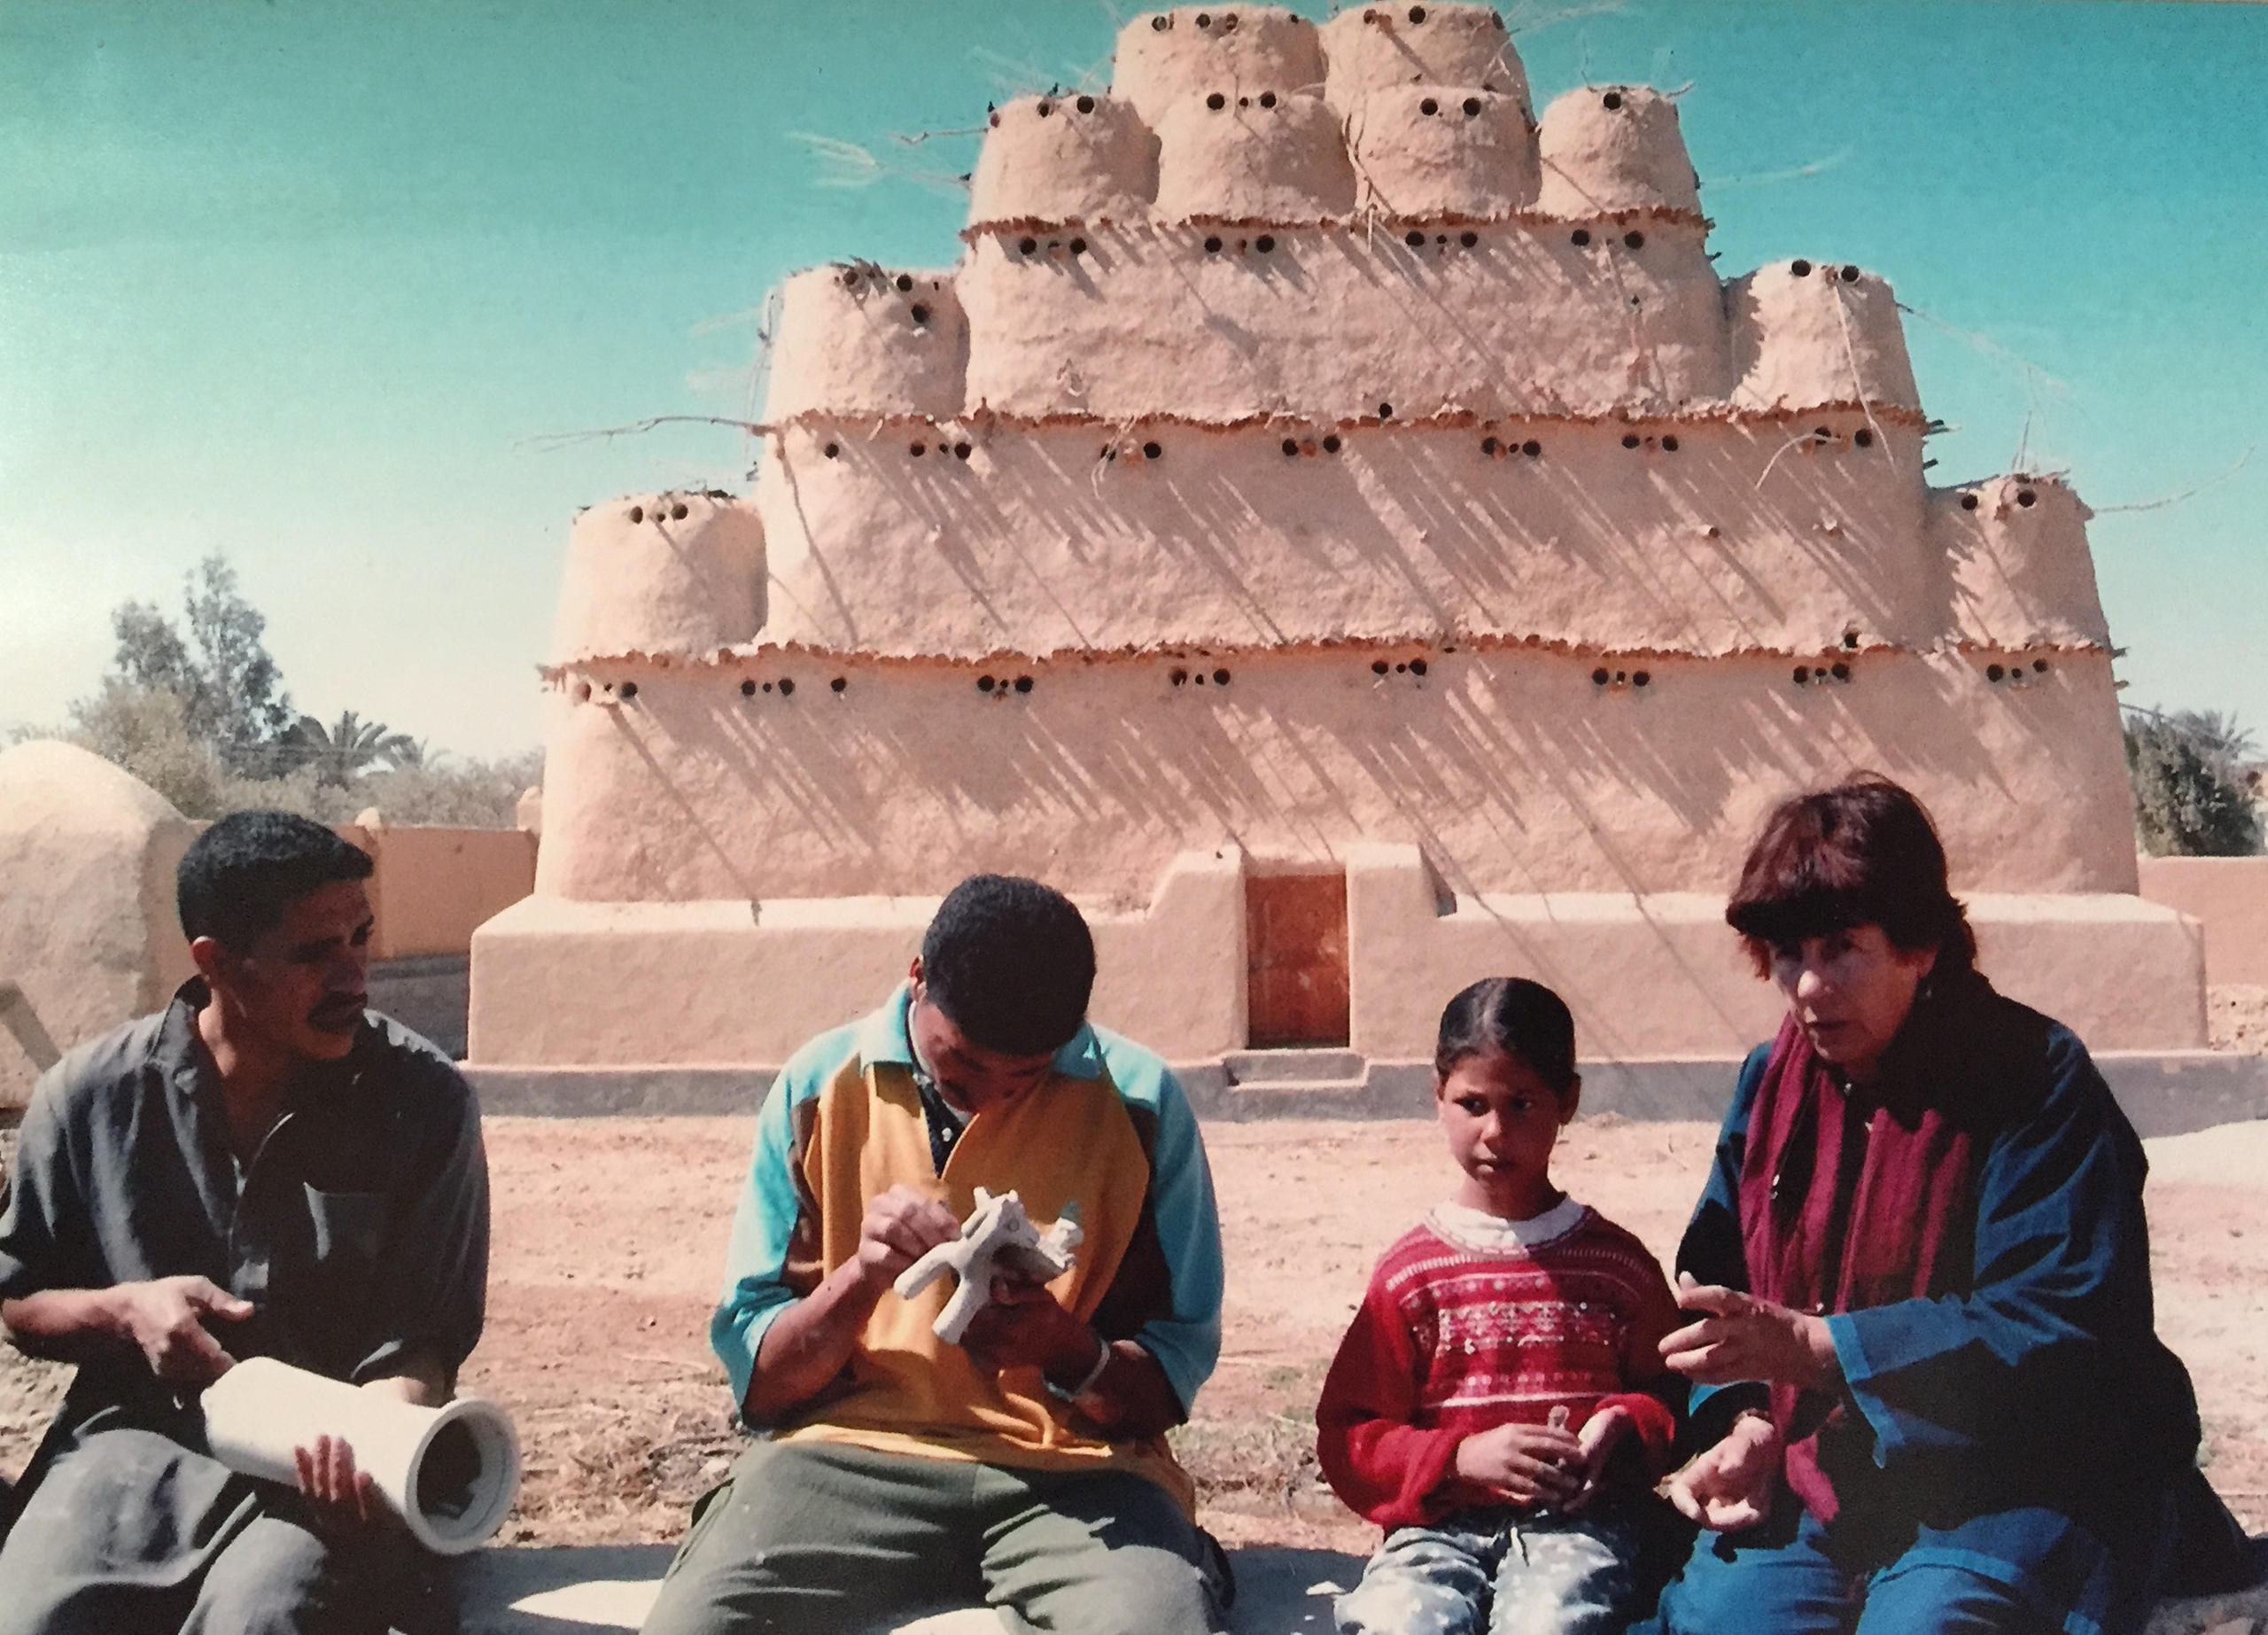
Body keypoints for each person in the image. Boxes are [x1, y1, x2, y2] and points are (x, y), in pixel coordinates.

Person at [1640, 775, 2231, 1635]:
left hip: (2015, 1487)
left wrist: (1826, 1347)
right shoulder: (1771, 1083)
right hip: (1821, 1470)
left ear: (1921, 947)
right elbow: (1720, 1282)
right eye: (1788, 954)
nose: (1807, 987)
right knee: (1728, 1623)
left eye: (1842, 947)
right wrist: (1747, 1418)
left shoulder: (2032, 1079)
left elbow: (2060, 1321)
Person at [641, 874, 1229, 1635]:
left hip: (1079, 1475)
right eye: (963, 1066)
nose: (992, 1097)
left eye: (1027, 1076)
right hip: (846, 1458)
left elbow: (1171, 1380)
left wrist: (1065, 1348)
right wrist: (860, 1277)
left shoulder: (1140, 1102)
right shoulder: (819, 1088)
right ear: (916, 975)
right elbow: (763, 1387)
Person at [0, 811, 490, 1635]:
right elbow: (21, 1304)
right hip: (131, 1453)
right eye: (314, 953)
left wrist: (379, 1448)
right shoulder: (90, 1095)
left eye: (360, 939)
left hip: (318, 1472)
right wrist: (126, 1308)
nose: (354, 978)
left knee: (264, 1619)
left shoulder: (422, 1099)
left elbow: (421, 1340)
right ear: (217, 963)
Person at [1317, 977, 1683, 1635]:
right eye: (1472, 1103)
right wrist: (1458, 1459)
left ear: (1567, 1100)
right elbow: (1351, 1434)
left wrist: (1624, 1426)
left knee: (1547, 1623)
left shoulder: (1616, 1267)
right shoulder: (1413, 1273)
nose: (1494, 1131)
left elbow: (1670, 1393)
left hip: (1577, 1528)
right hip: (1436, 1530)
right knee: (1397, 1622)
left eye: (1521, 1103)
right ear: (1438, 1095)